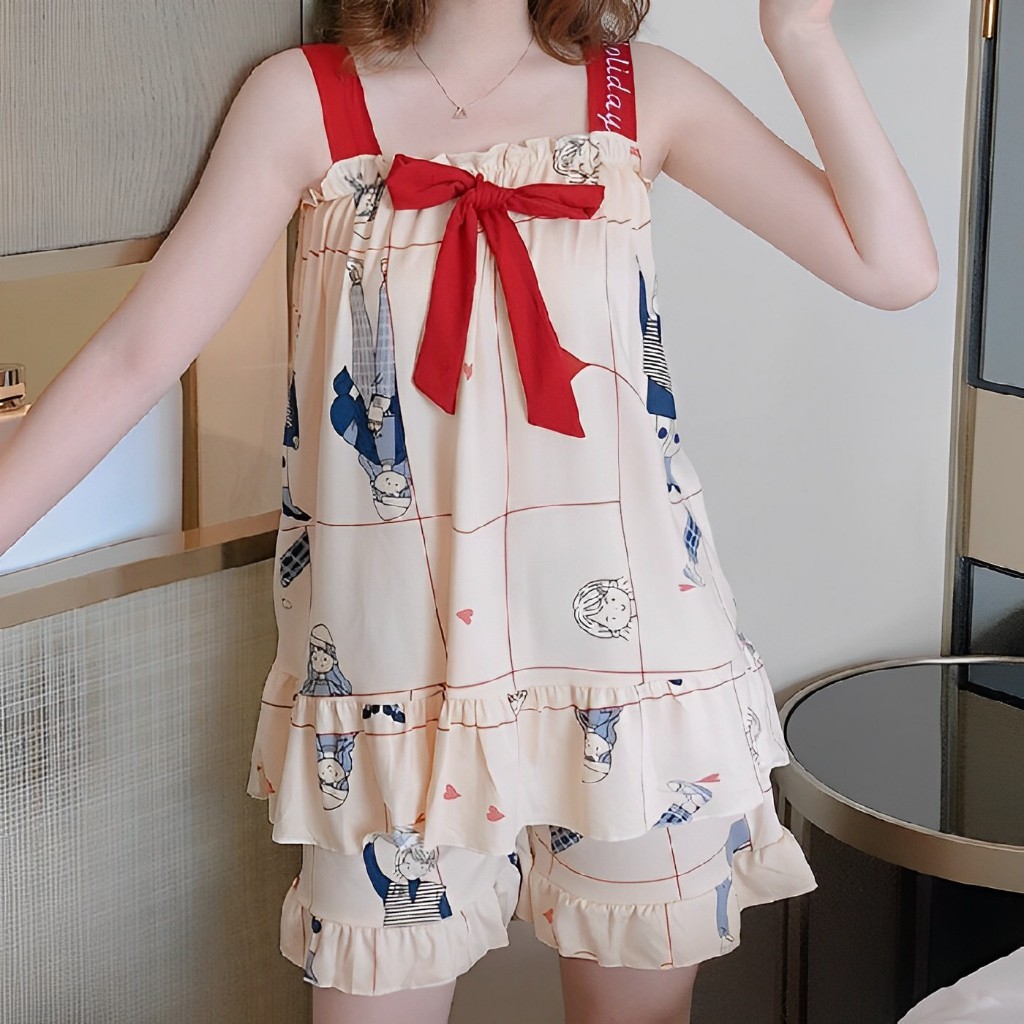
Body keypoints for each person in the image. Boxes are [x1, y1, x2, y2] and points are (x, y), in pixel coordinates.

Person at [0, 1, 939, 1022]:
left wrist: (799, 35)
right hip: (390, 683)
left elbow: (892, 268)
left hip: (632, 674)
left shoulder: (640, 93)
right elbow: (135, 357)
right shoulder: (306, 101)